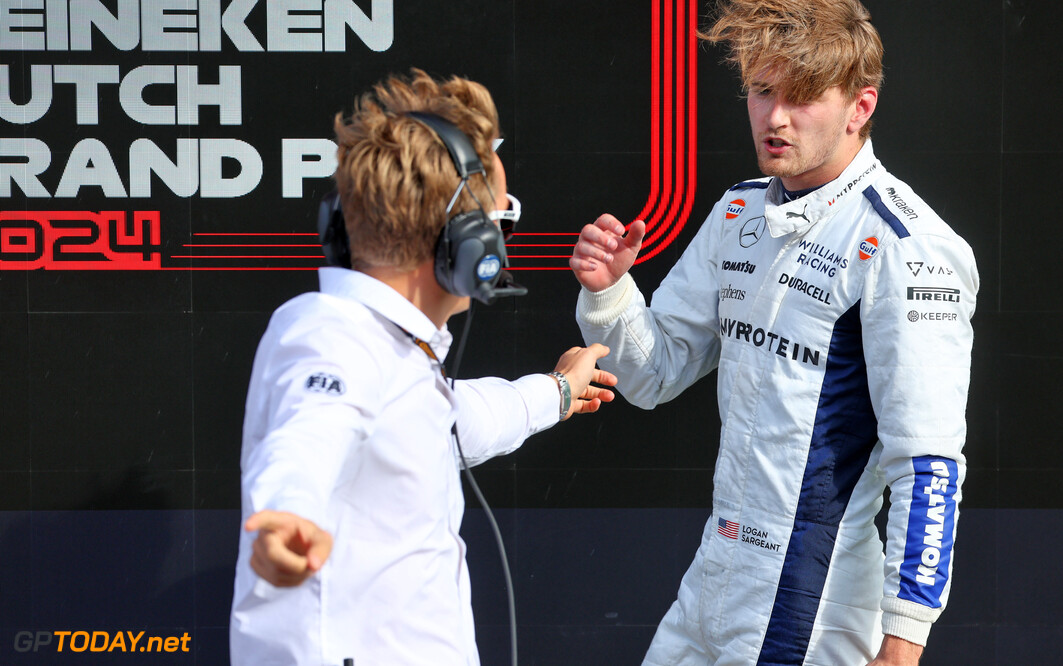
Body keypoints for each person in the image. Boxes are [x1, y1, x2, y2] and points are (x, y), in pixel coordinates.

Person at [570, 1, 979, 664]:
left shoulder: (906, 245)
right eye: (762, 92)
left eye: (801, 97)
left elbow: (928, 463)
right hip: (712, 576)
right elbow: (652, 375)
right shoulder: (740, 210)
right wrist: (611, 291)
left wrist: (903, 643)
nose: (775, 118)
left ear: (860, 106)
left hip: (811, 601)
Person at [230, 69, 617, 665]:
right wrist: (288, 517)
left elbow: (463, 418)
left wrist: (557, 390)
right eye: (501, 222)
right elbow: (311, 434)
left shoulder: (391, 353)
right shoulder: (333, 333)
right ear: (466, 243)